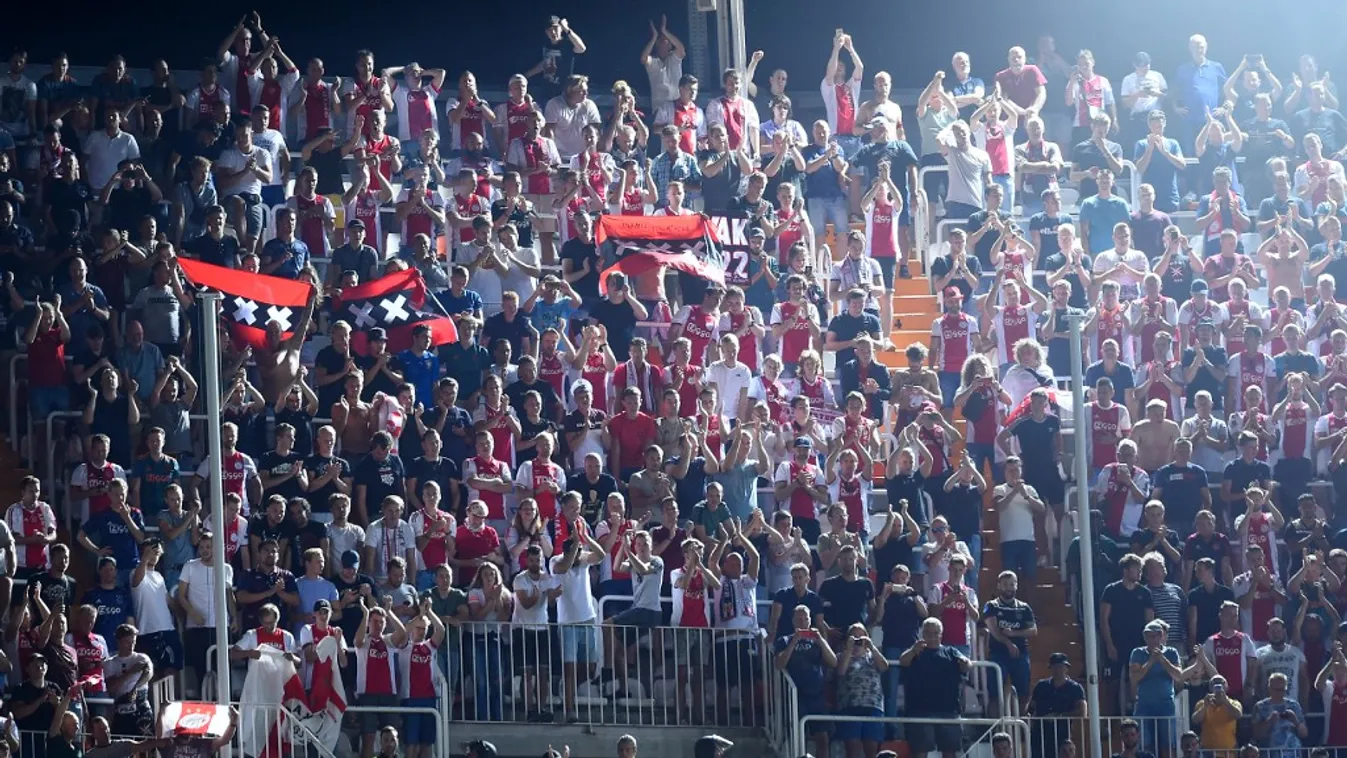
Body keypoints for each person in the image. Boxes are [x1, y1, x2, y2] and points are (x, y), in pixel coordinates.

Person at [899, 617, 971, 758]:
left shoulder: (951, 651)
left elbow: (967, 665)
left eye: (935, 633)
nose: (932, 636)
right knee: (920, 753)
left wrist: (964, 662)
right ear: (922, 634)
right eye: (928, 633)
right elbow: (903, 661)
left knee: (950, 752)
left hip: (948, 711)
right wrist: (914, 650)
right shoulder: (915, 652)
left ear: (941, 634)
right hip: (919, 711)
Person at [773, 604, 835, 758]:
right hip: (795, 696)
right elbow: (779, 664)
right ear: (793, 620)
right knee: (797, 736)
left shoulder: (818, 641)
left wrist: (820, 638)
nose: (802, 621)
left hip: (816, 695)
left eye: (805, 618)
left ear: (810, 620)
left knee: (822, 738)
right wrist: (794, 641)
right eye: (798, 618)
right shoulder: (785, 640)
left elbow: (833, 662)